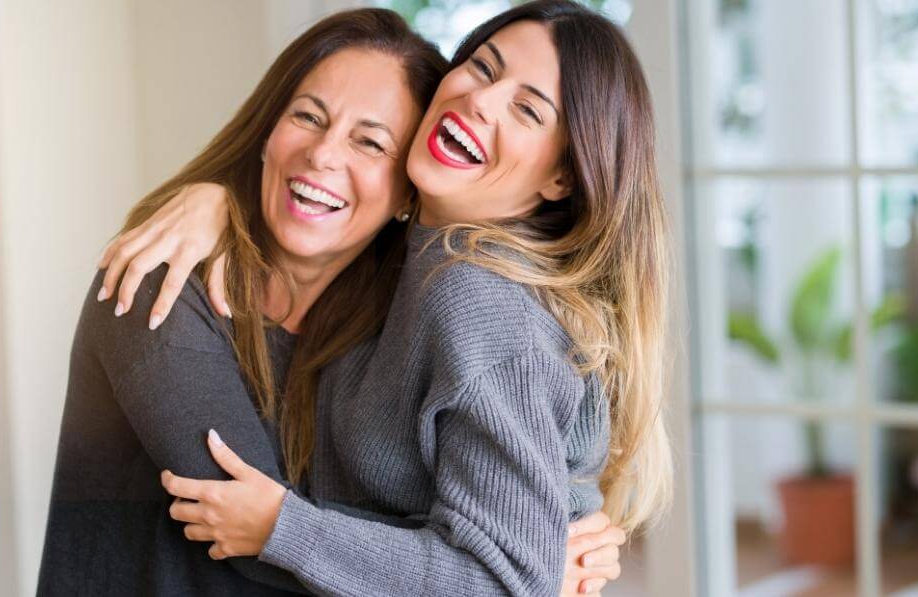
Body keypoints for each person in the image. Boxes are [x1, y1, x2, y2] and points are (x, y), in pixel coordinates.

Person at [41, 6, 623, 597]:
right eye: (307, 117)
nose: (322, 156)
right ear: (267, 132)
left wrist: (512, 555)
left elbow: (286, 523)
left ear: (406, 186)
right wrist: (519, 564)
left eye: (370, 142)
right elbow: (248, 529)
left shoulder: (406, 319)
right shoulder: (160, 280)